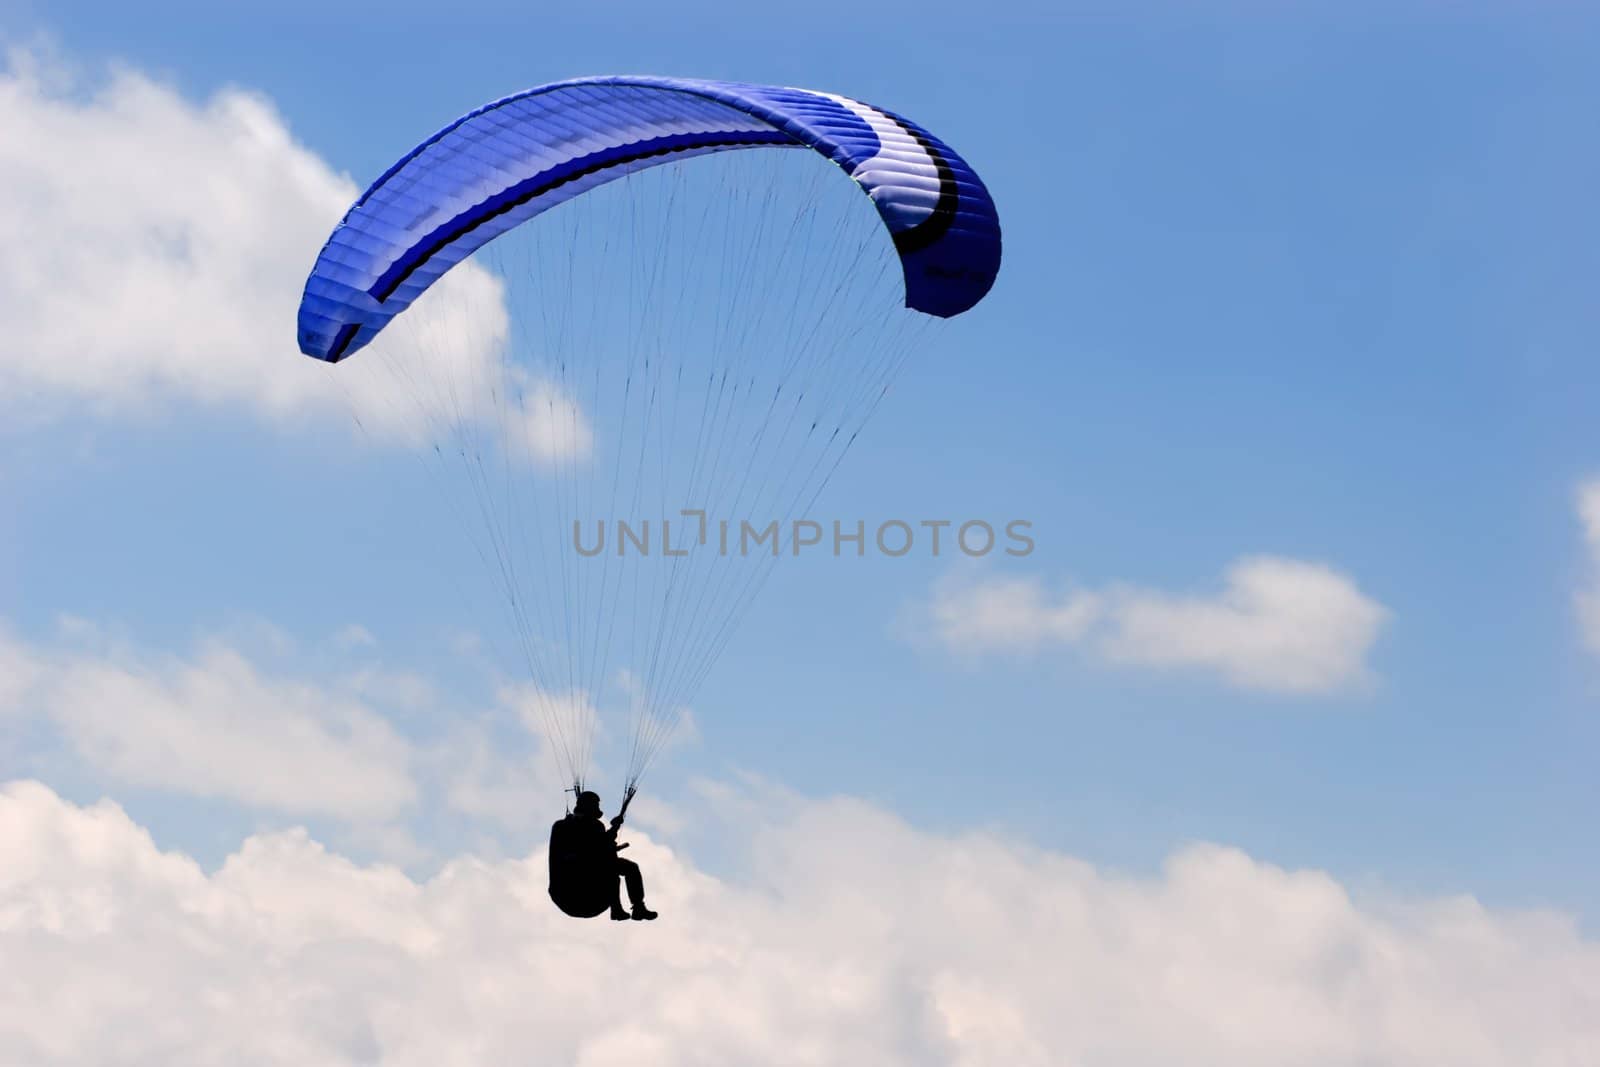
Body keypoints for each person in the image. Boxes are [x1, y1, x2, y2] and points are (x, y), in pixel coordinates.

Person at [548, 791, 658, 921]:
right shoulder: (563, 827)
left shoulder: (596, 826)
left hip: (594, 898)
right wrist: (606, 841)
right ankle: (616, 909)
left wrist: (613, 829)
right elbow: (589, 848)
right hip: (569, 893)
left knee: (629, 867)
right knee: (609, 869)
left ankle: (638, 907)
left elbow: (601, 845)